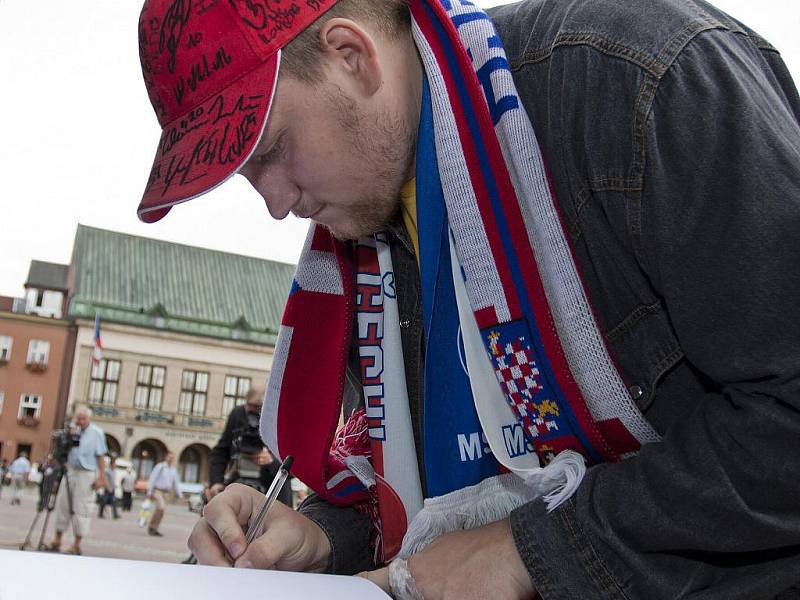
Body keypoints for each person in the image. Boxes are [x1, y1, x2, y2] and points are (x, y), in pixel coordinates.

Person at [136, 0, 800, 597]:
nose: (277, 204)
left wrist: (531, 549)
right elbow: (434, 500)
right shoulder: (369, 219)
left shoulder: (637, 80)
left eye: (273, 151)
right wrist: (322, 540)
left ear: (351, 57)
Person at [205, 386, 292, 507]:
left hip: (272, 495)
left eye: (258, 408)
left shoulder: (280, 418)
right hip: (239, 485)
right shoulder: (238, 414)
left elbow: (293, 466)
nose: (251, 412)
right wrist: (216, 482)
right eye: (249, 406)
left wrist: (271, 461)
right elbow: (220, 452)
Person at [46, 406, 108, 555]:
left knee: (82, 507)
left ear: (89, 419)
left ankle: (76, 543)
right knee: (63, 504)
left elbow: (101, 456)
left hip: (87, 473)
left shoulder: (96, 433)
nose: (80, 421)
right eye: (78, 418)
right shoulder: (72, 431)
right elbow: (62, 449)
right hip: (71, 470)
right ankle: (57, 539)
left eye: (83, 418)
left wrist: (101, 477)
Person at [146, 452, 181, 537]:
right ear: (166, 457)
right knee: (161, 507)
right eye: (169, 457)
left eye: (172, 458)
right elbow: (152, 478)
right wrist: (149, 492)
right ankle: (151, 526)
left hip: (166, 493)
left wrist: (180, 494)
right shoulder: (160, 467)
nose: (170, 459)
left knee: (161, 511)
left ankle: (155, 528)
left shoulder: (173, 470)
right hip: (158, 491)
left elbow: (176, 483)